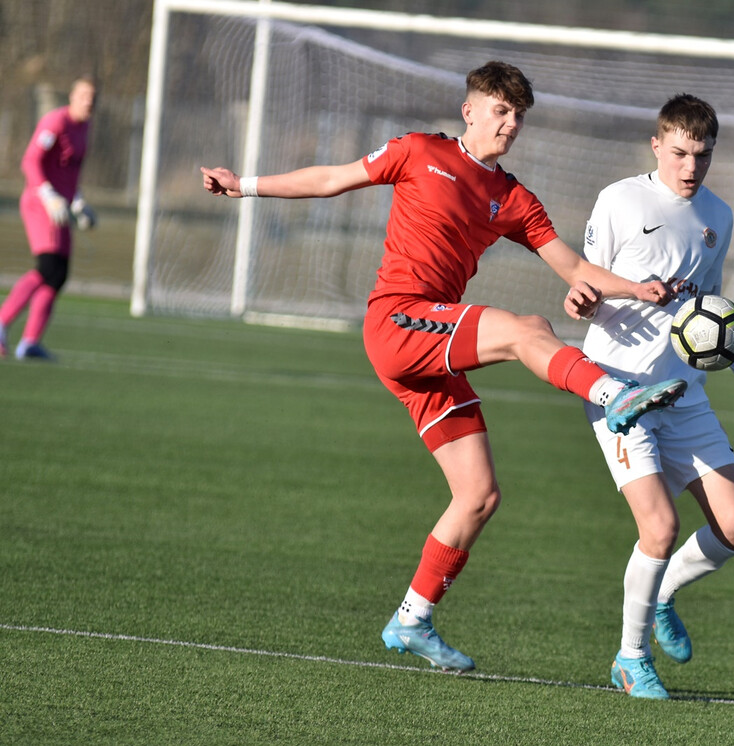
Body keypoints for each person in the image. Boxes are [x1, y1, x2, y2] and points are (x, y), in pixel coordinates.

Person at [200, 61, 687, 672]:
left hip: (429, 346)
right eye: (500, 111)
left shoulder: (512, 197)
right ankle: (611, 392)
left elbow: (575, 269)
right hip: (398, 320)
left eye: (518, 117)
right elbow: (332, 178)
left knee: (479, 495)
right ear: (470, 110)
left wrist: (636, 288)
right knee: (524, 330)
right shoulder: (417, 151)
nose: (509, 125)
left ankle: (412, 617)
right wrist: (242, 184)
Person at [577, 94, 734, 699]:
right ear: (656, 146)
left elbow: (708, 318)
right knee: (660, 528)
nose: (691, 167)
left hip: (684, 396)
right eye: (680, 154)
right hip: (618, 389)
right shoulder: (620, 199)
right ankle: (630, 658)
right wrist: (590, 298)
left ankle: (662, 595)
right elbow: (585, 278)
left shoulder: (717, 215)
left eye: (703, 156)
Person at [0, 76, 98, 361]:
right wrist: (47, 193)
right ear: (72, 96)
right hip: (40, 202)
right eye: (84, 95)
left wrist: (78, 202)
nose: (89, 101)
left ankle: (29, 343)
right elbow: (30, 161)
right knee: (47, 267)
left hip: (62, 206)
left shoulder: (85, 128)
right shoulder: (55, 122)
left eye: (93, 96)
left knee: (58, 275)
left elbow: (70, 172)